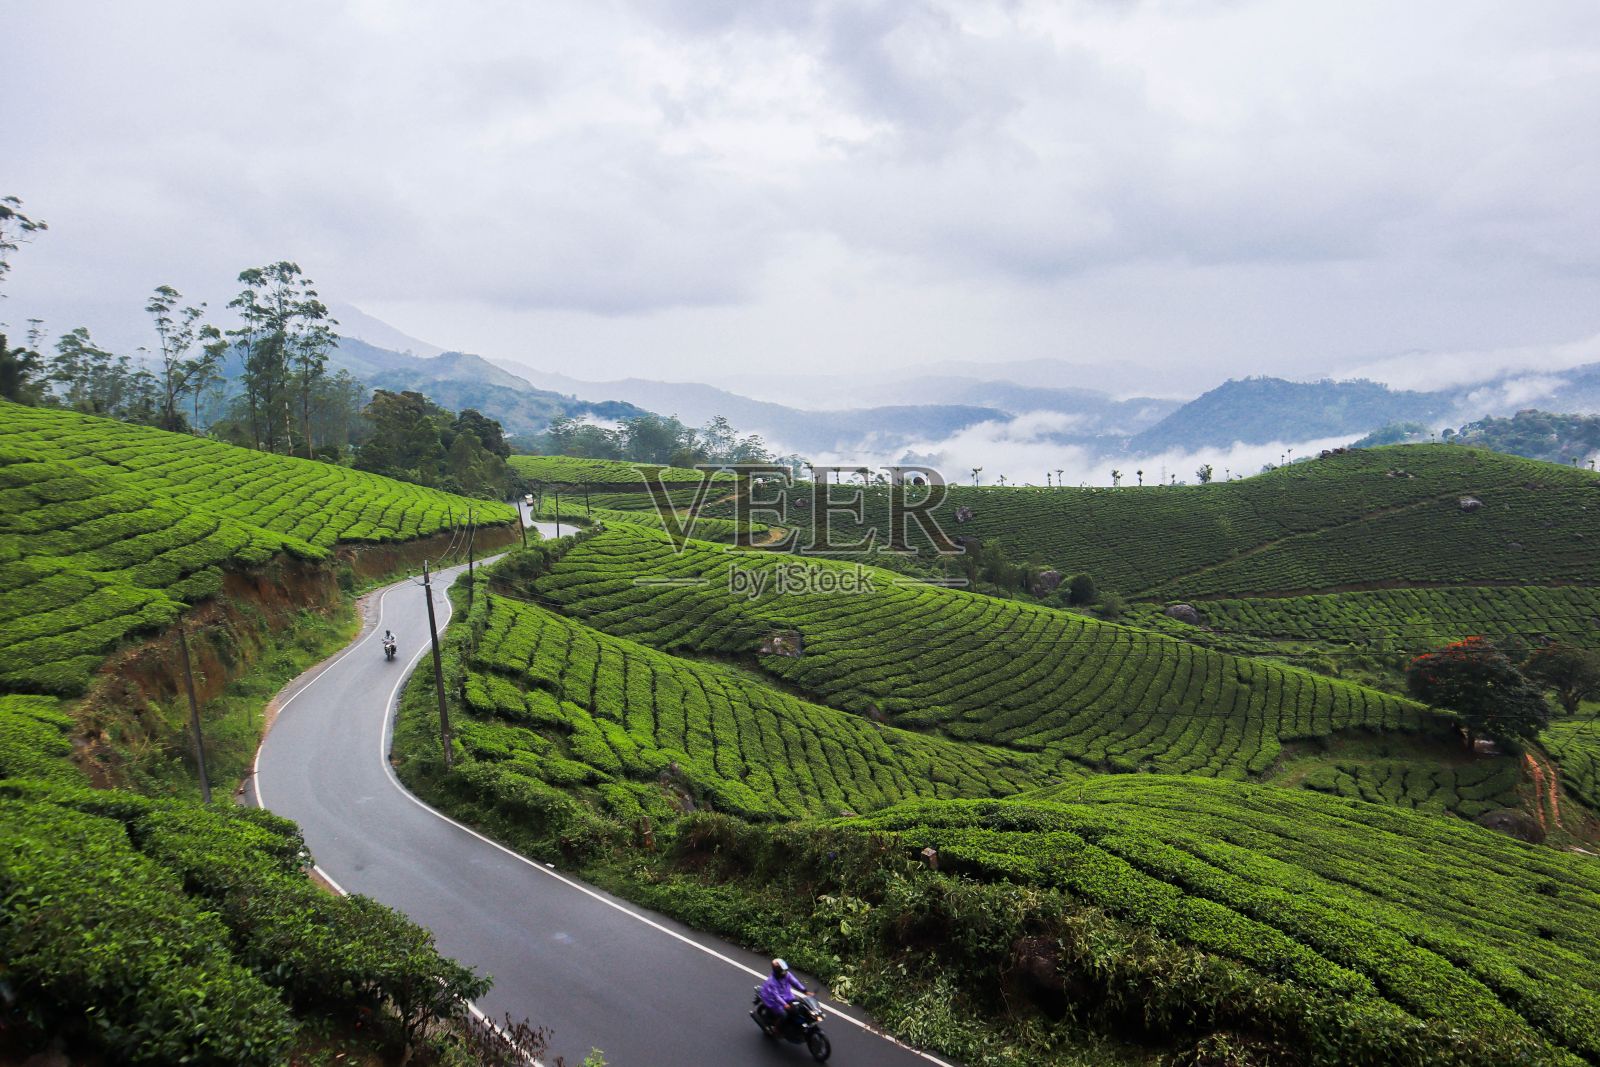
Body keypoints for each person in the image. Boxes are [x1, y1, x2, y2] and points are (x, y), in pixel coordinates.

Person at [757, 958, 807, 1035]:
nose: (785, 973)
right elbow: (776, 996)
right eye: (783, 971)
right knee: (784, 1015)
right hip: (774, 1001)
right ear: (777, 971)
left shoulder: (787, 974)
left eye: (785, 971)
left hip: (787, 997)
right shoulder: (772, 982)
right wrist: (785, 1005)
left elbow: (795, 982)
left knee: (799, 1006)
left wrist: (804, 990)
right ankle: (775, 1029)